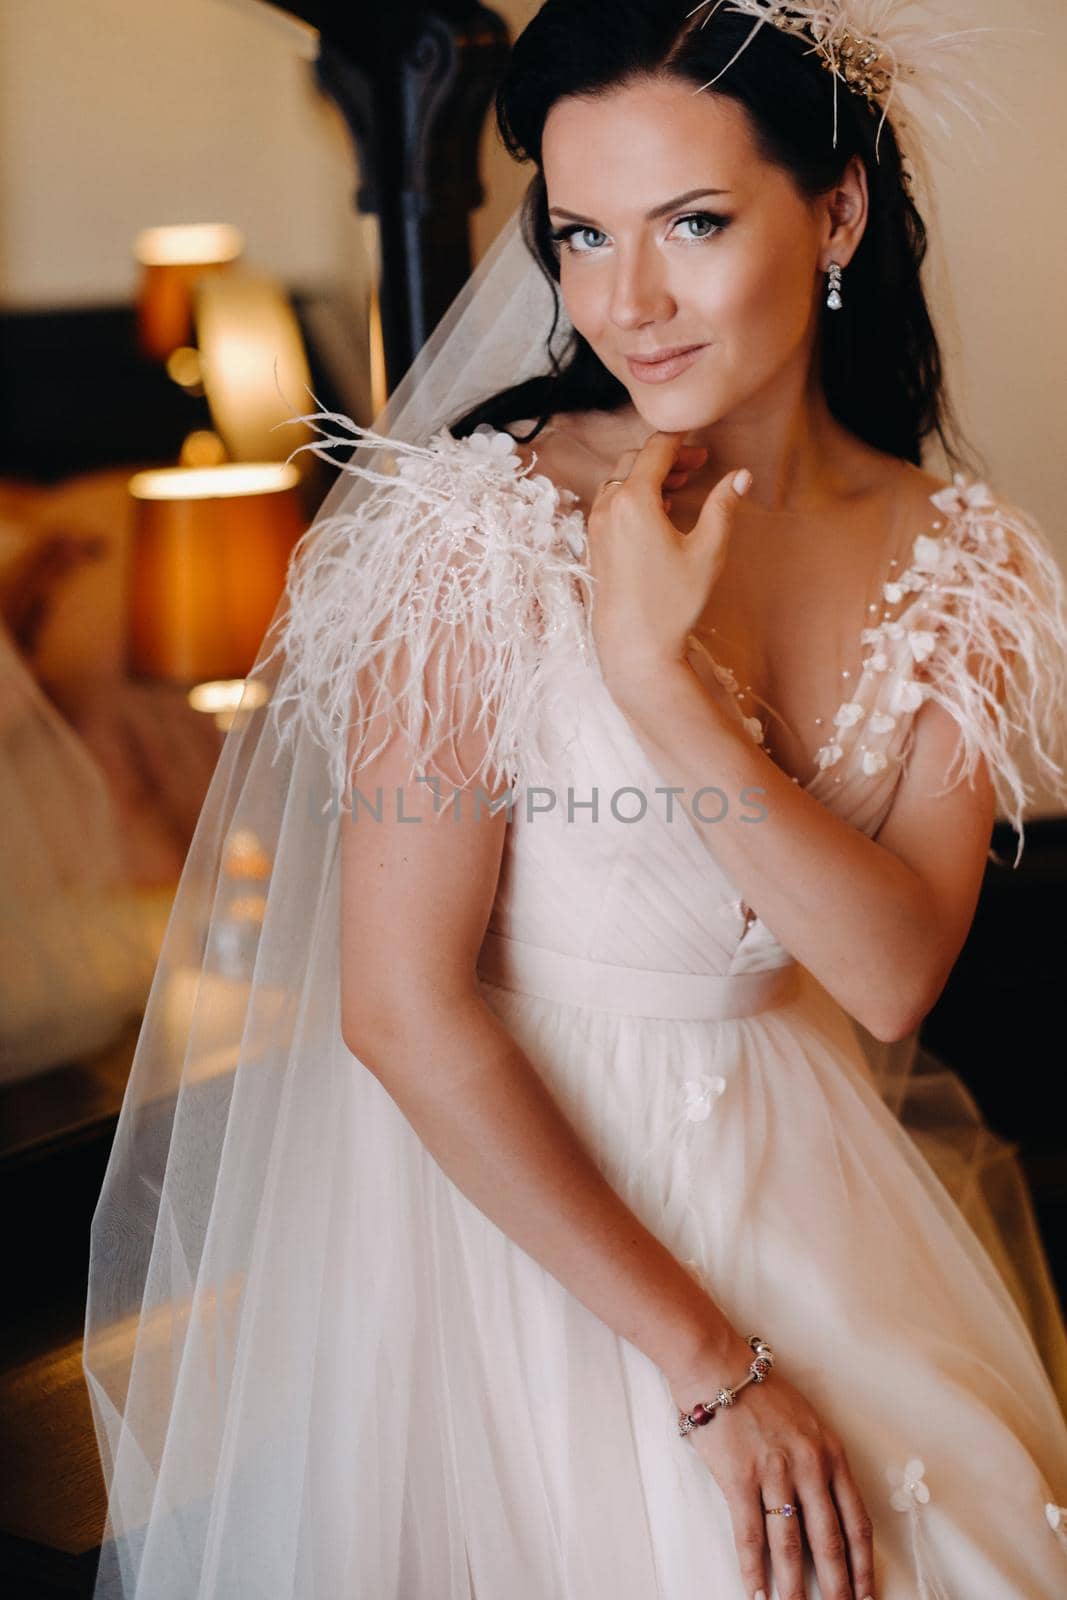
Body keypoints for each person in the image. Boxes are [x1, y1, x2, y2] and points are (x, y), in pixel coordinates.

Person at [83, 3, 1067, 1597]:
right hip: (522, 1238)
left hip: (809, 1197)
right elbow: (400, 1011)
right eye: (581, 233)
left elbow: (892, 977)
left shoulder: (959, 553)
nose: (629, 301)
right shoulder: (473, 529)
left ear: (836, 212)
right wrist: (711, 1369)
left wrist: (662, 687)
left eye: (693, 223)